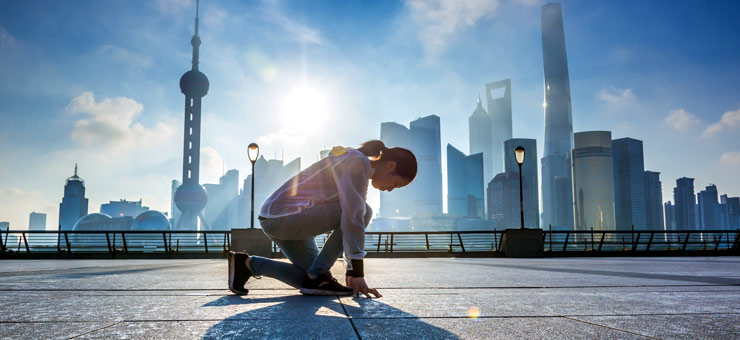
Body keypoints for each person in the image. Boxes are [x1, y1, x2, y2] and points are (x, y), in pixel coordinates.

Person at [228, 140, 417, 297]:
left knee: (313, 281)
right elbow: (353, 216)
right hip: (284, 217)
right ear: (391, 166)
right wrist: (355, 271)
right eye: (396, 184)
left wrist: (349, 268)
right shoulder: (358, 163)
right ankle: (318, 274)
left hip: (276, 219)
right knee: (364, 211)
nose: (390, 189)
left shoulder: (356, 163)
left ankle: (248, 264)